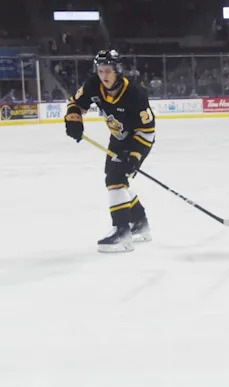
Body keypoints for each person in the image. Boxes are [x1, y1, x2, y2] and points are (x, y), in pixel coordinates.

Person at [64, 49, 155, 253]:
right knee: (116, 179)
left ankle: (122, 231)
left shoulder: (135, 94)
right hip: (117, 139)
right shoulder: (92, 85)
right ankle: (139, 222)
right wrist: (74, 119)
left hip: (138, 139)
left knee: (115, 179)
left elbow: (148, 131)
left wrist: (135, 156)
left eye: (108, 71)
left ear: (118, 71)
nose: (104, 76)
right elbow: (75, 103)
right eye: (100, 70)